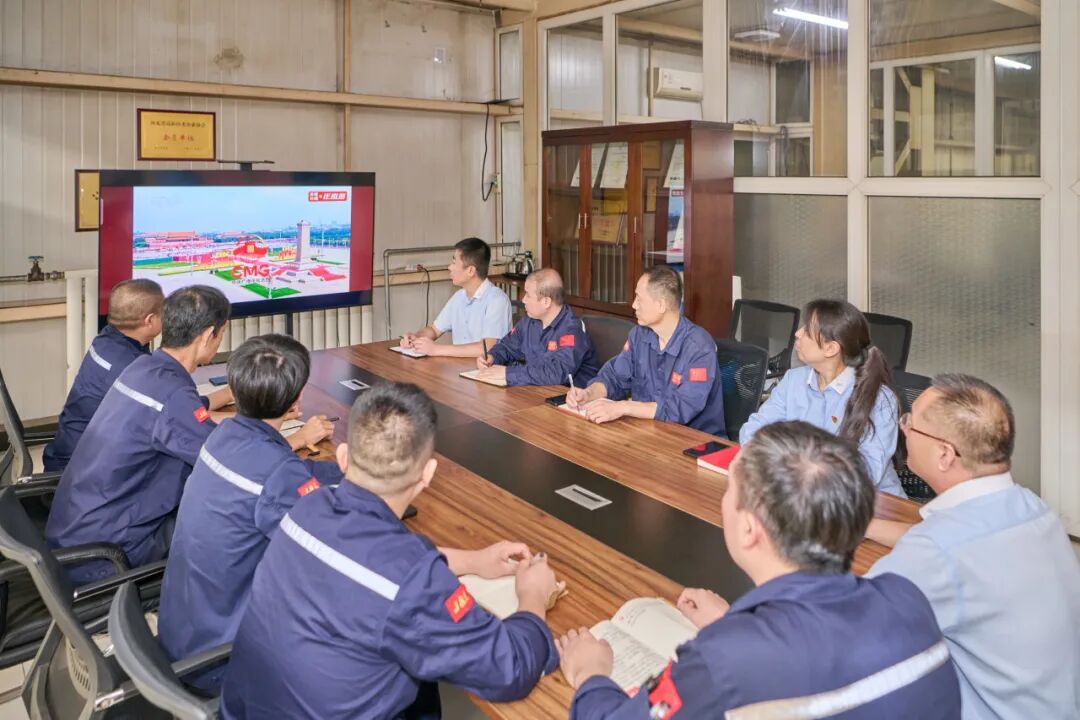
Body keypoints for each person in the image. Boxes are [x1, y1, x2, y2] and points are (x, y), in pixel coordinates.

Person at [557, 421, 960, 719]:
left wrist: (591, 673)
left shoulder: (720, 662)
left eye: (730, 491)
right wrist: (735, 622)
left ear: (750, 529)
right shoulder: (907, 599)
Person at [220, 382, 562, 718]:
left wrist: (474, 561)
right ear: (428, 474)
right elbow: (509, 669)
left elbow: (381, 566)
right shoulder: (412, 580)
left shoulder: (307, 507)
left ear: (342, 458)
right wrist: (533, 594)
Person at [867, 374, 1080, 720]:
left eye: (910, 424)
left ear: (945, 455)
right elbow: (957, 545)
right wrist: (867, 526)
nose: (903, 430)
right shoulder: (1033, 509)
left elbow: (843, 628)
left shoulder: (935, 550)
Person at [157, 334, 344, 689]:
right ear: (296, 399)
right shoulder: (277, 472)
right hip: (222, 658)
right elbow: (332, 548)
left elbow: (283, 472)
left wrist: (345, 471)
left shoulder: (223, 435)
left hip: (183, 632)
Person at [45, 285, 234, 581]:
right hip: (109, 554)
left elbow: (182, 422)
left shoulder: (142, 368)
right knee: (229, 513)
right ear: (209, 335)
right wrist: (292, 437)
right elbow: (225, 461)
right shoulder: (171, 392)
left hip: (77, 531)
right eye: (221, 333)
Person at [739, 299, 903, 495]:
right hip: (803, 493)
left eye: (807, 331)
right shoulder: (793, 380)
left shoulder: (879, 398)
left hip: (872, 501)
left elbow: (867, 471)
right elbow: (753, 430)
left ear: (830, 348)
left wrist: (792, 465)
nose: (797, 333)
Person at [565, 266, 724, 436]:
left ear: (661, 305)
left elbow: (681, 408)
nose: (634, 305)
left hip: (693, 441)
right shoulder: (639, 335)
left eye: (639, 299)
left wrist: (623, 407)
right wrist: (589, 394)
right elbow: (615, 378)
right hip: (648, 433)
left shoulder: (699, 347)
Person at [43, 279, 165, 472]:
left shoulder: (106, 339)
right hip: (83, 473)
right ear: (149, 320)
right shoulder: (131, 368)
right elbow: (170, 413)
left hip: (68, 453)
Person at [474, 268, 599, 387]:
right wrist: (492, 357)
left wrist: (508, 373)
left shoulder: (572, 330)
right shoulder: (530, 321)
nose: (523, 300)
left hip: (568, 397)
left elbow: (556, 373)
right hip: (536, 390)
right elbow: (507, 347)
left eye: (528, 295)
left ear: (546, 302)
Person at [400, 237, 511, 357]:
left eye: (454, 262)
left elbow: (488, 347)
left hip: (484, 368)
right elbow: (434, 330)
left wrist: (436, 349)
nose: (449, 267)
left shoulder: (497, 300)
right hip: (458, 366)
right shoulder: (458, 297)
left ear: (470, 270)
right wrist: (415, 338)